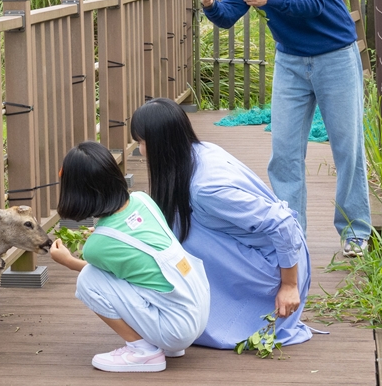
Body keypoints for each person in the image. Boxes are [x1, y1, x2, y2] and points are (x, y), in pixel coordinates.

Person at [200, 0, 371, 255]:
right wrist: (211, 6)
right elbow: (229, 18)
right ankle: (290, 234)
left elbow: (315, 1)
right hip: (290, 61)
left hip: (335, 55)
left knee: (347, 148)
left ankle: (355, 232)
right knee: (284, 153)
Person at [130, 97, 313, 348]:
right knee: (174, 224)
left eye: (142, 142)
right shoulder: (199, 151)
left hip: (278, 267)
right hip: (267, 254)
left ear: (160, 145)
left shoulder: (206, 188)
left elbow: (282, 223)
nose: (140, 150)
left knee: (183, 235)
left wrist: (290, 285)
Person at [49, 141, 211, 373]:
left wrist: (67, 261)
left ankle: (143, 352)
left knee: (88, 279)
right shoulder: (142, 200)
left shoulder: (97, 246)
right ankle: (165, 342)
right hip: (198, 310)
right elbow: (142, 249)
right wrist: (104, 235)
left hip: (176, 329)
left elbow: (101, 274)